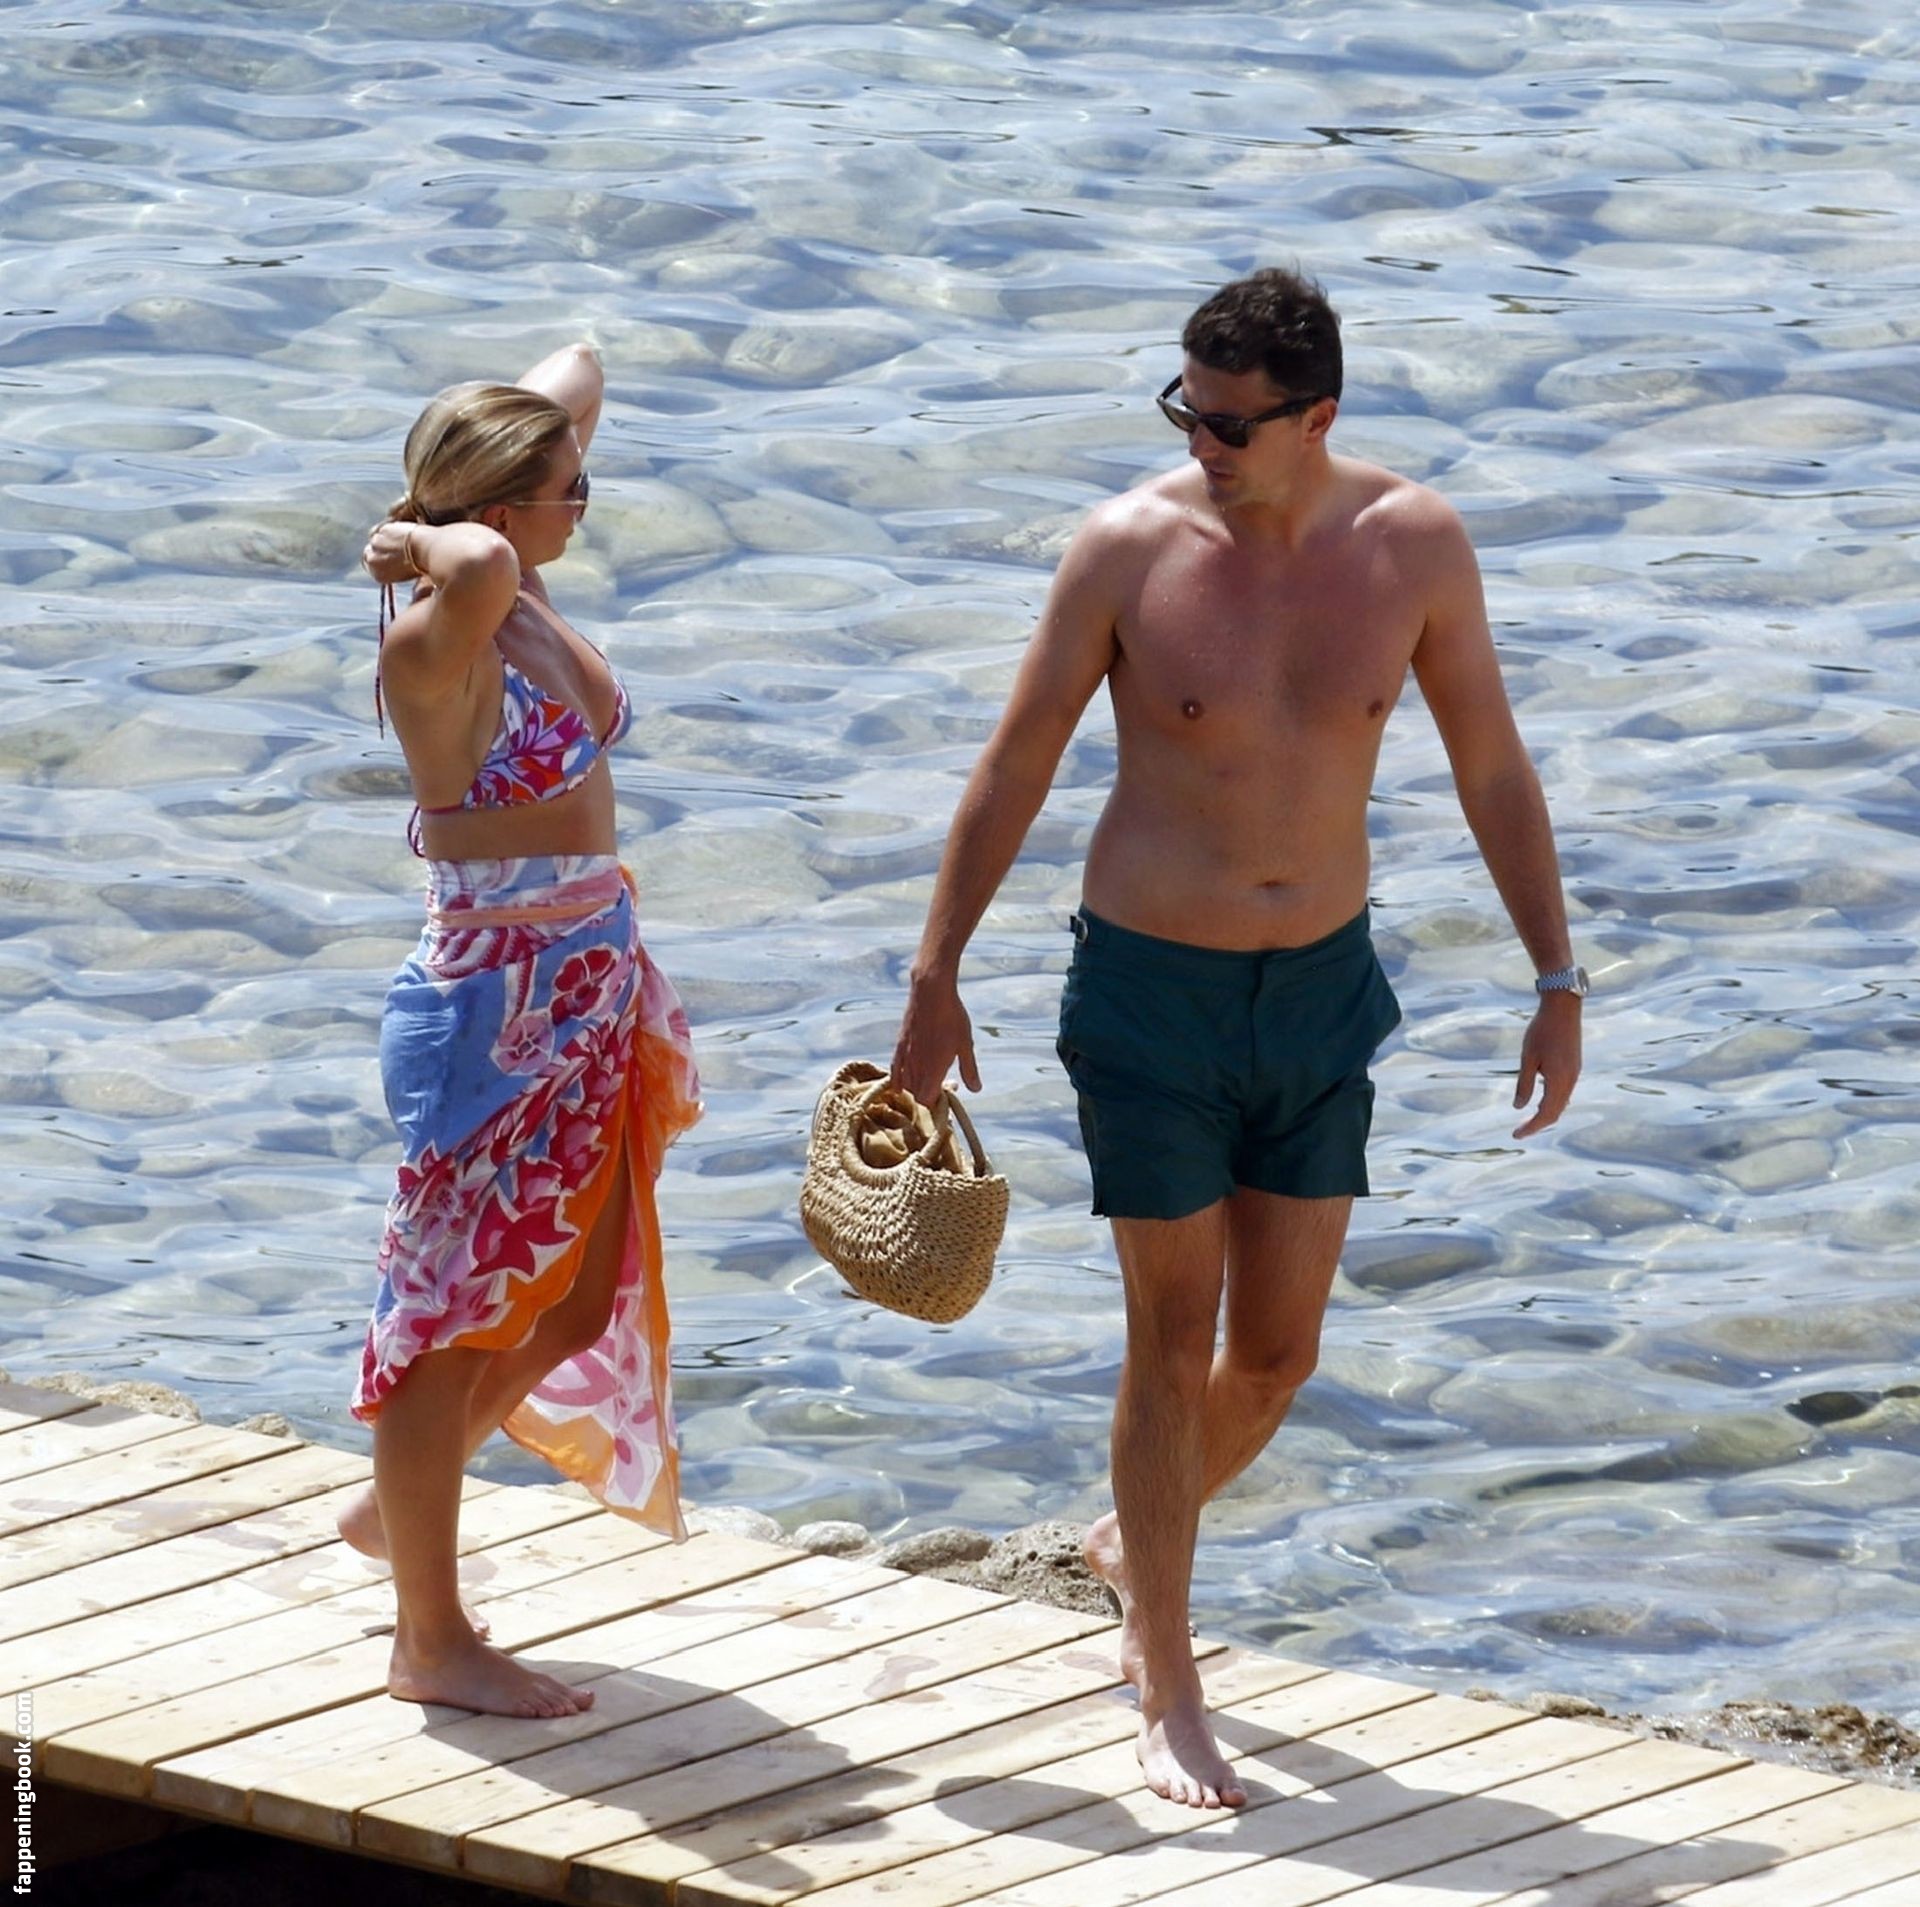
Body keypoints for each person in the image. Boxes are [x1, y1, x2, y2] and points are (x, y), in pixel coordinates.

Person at [890, 267, 1584, 1811]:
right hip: (1150, 989)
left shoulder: (1412, 545)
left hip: (1322, 990)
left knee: (1273, 1358)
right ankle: (1169, 1679)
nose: (1198, 444)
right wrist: (937, 972)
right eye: (1185, 414)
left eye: (1228, 424)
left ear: (1315, 416)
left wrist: (1556, 976)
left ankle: (1129, 1543)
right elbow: (1016, 762)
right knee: (1170, 1333)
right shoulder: (1128, 551)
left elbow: (1491, 765)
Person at [336, 343, 700, 1719]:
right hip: (494, 1006)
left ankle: (395, 1508)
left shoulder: (517, 592)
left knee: (578, 1291)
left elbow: (579, 365)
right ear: (493, 515)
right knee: (448, 1322)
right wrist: (418, 539)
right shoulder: (437, 639)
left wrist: (468, 484)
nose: (585, 502)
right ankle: (428, 1640)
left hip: (585, 988)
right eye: (567, 491)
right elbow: (476, 557)